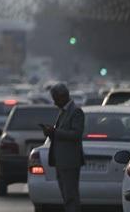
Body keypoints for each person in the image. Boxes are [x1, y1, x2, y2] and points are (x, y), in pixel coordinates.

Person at [41, 83, 84, 212]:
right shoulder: (63, 112)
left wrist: (54, 132)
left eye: (55, 98)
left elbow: (76, 134)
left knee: (71, 196)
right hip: (61, 161)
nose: (54, 102)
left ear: (62, 97)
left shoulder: (75, 112)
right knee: (66, 196)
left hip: (69, 162)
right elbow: (62, 132)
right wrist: (51, 131)